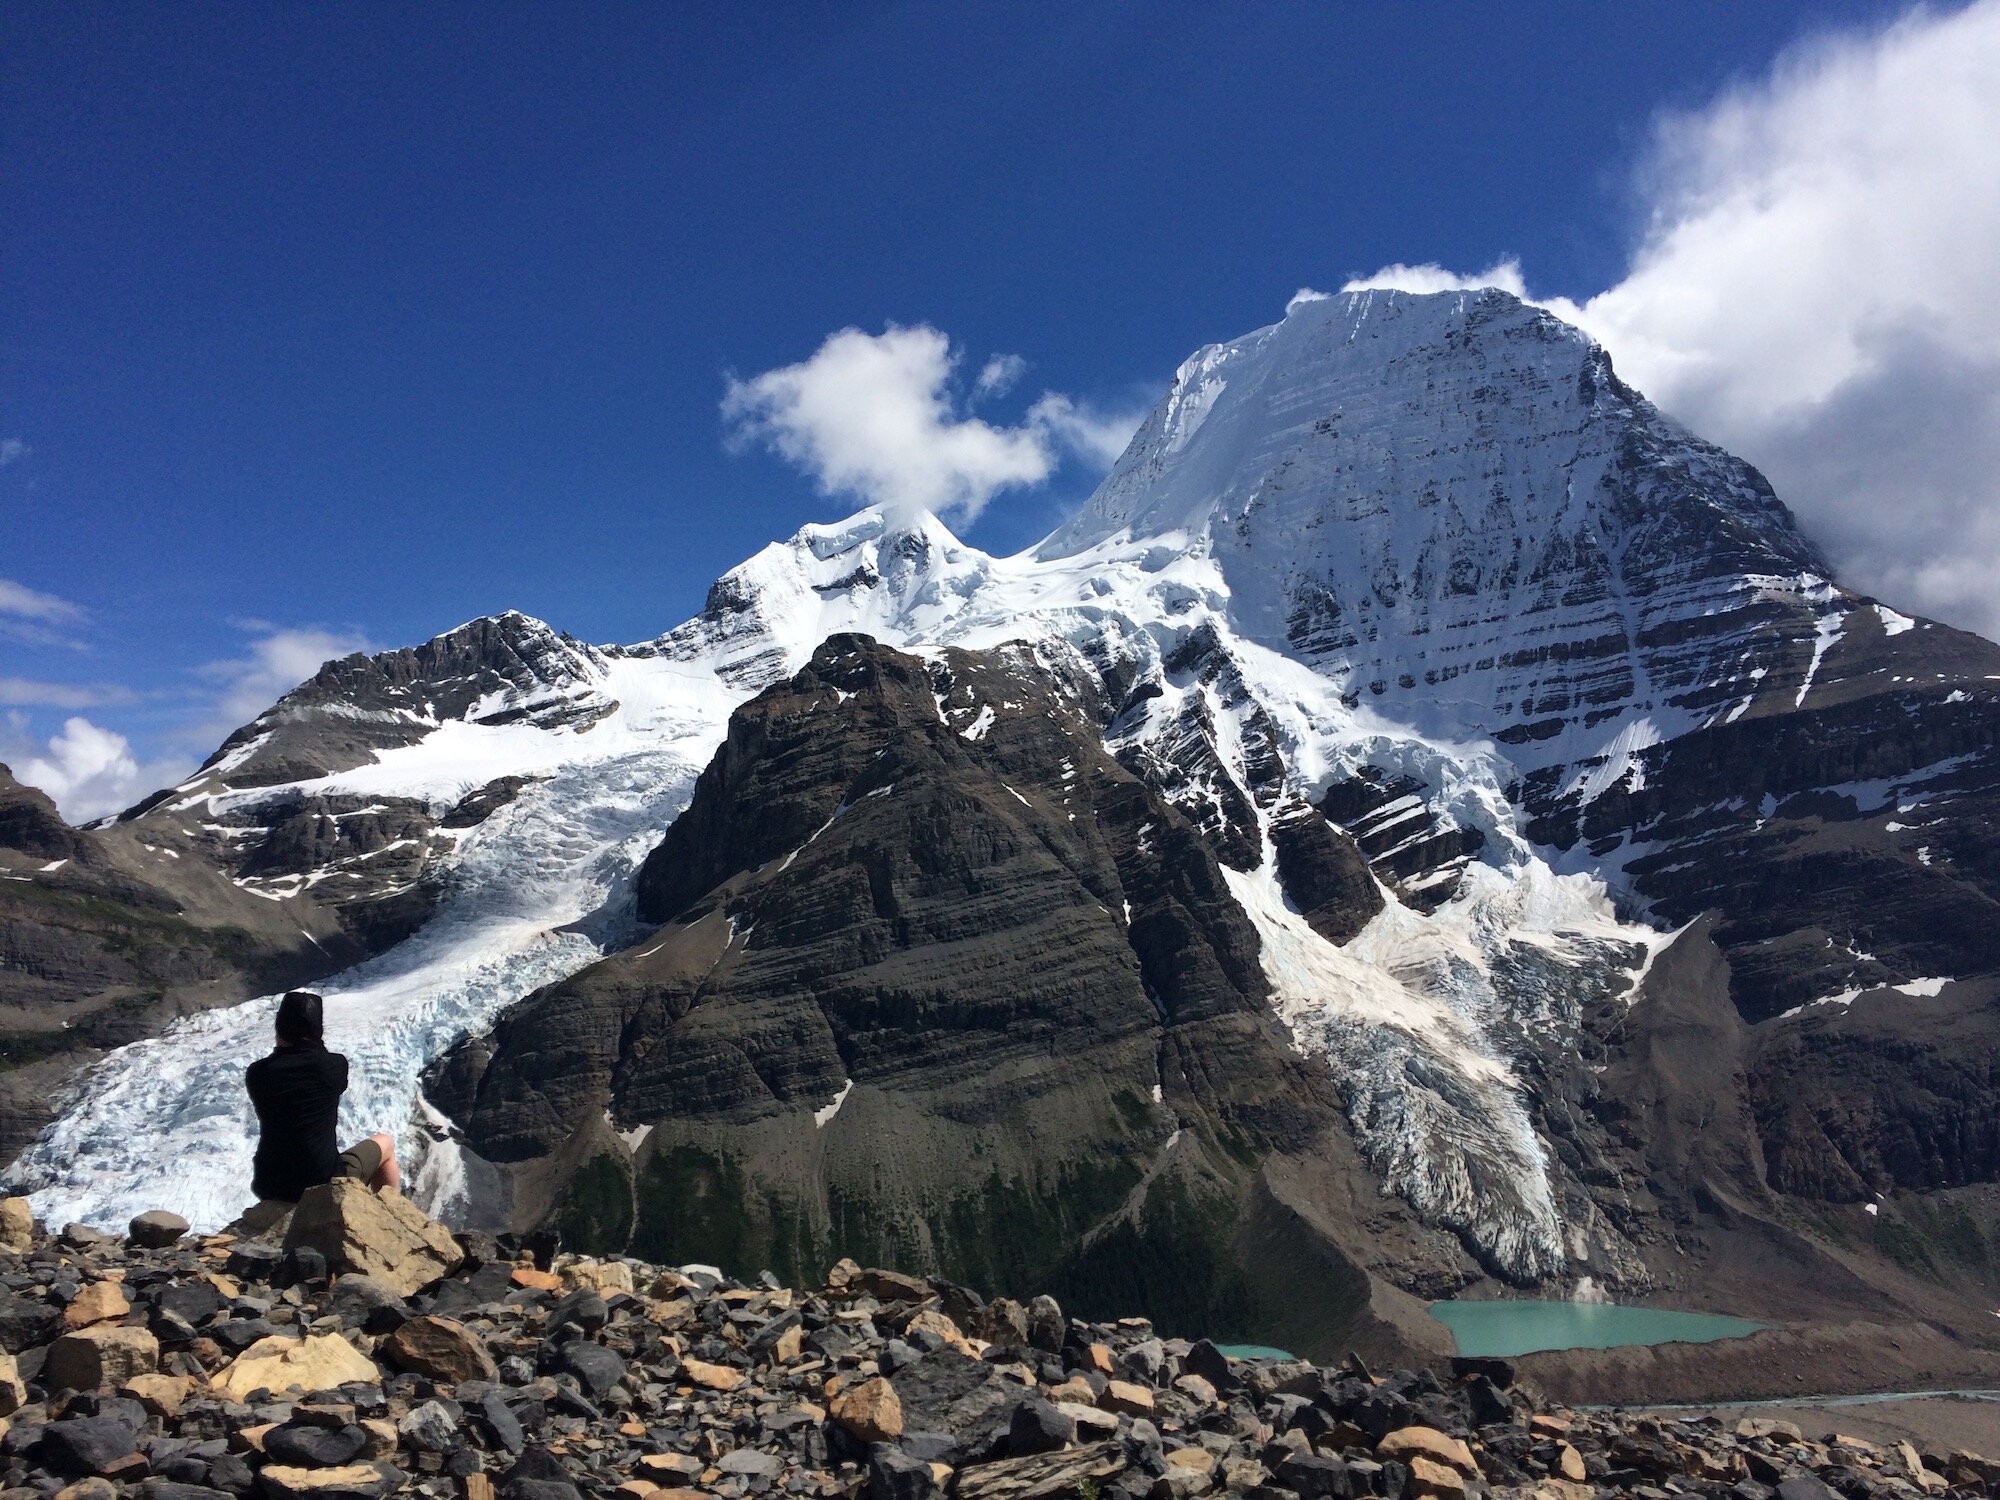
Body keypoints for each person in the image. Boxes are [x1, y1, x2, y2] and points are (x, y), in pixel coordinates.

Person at [245, 990, 399, 1207]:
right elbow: (330, 1079)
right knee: (386, 1144)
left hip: (270, 1184)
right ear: (319, 1030)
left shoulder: (257, 1073)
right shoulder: (334, 1066)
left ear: (278, 1028)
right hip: (321, 1181)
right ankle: (392, 1215)